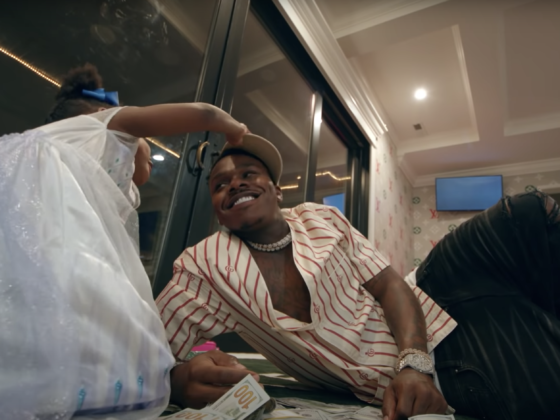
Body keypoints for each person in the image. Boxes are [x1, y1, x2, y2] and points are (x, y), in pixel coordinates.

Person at [157, 134, 560, 420]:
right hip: (451, 371)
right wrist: (177, 381)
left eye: (249, 173)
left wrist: (414, 365)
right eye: (220, 185)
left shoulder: (321, 218)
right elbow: (149, 354)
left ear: (277, 190)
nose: (236, 184)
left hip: (431, 307)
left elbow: (390, 285)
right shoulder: (202, 266)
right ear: (217, 209)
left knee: (524, 212)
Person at [0, 64, 257, 420]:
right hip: (71, 251)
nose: (143, 159)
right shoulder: (104, 122)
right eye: (143, 146)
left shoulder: (30, 149)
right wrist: (231, 127)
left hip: (24, 252)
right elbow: (201, 112)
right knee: (104, 311)